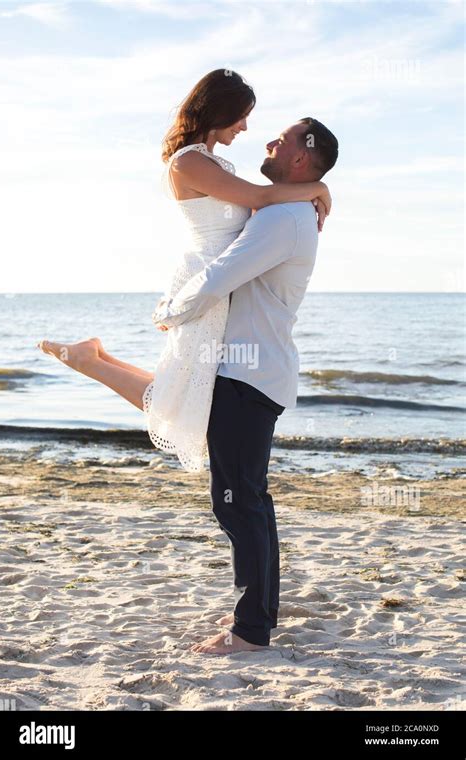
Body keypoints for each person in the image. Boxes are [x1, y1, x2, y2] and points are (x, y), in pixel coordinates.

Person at [36, 69, 331, 474]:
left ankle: (92, 357)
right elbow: (261, 197)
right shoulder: (189, 162)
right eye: (240, 116)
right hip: (205, 283)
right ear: (218, 111)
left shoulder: (209, 161)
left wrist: (313, 190)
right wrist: (318, 188)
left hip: (216, 285)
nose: (245, 127)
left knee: (186, 389)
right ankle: (88, 361)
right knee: (182, 399)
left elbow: (261, 203)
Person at [152, 115, 339, 654]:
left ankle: (251, 629)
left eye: (280, 138)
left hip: (247, 376)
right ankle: (258, 616)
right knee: (250, 500)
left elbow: (222, 274)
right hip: (254, 371)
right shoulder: (293, 210)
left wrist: (171, 310)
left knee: (237, 503)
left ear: (301, 158)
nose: (269, 142)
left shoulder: (284, 219)